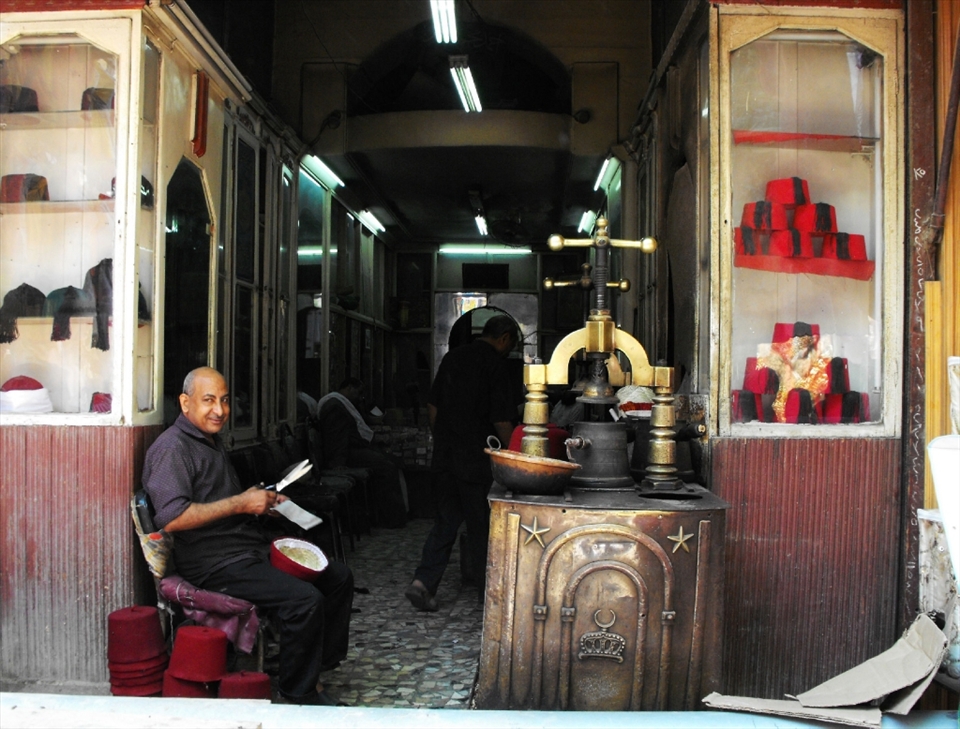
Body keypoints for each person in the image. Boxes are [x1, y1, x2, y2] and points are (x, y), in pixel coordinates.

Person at [142, 367, 353, 706]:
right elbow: (173, 517)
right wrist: (241, 503)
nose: (220, 410)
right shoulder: (173, 449)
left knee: (338, 577)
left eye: (224, 401)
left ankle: (312, 667)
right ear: (185, 403)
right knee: (304, 599)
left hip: (243, 550)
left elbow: (221, 502)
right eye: (208, 400)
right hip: (213, 563)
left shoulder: (209, 440)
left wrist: (261, 503)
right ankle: (298, 693)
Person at [405, 315, 519, 612]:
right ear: (504, 338)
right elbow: (501, 419)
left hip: (445, 457)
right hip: (477, 461)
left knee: (445, 521)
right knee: (481, 528)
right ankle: (487, 597)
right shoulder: (495, 365)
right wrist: (513, 455)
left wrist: (443, 440)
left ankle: (423, 583)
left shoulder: (452, 358)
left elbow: (433, 406)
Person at [314, 377, 408, 528]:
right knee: (387, 466)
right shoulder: (335, 406)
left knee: (389, 460)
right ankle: (391, 518)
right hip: (347, 454)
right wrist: (338, 463)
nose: (359, 397)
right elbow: (336, 438)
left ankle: (388, 516)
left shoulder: (341, 404)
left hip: (351, 449)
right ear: (349, 388)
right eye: (358, 393)